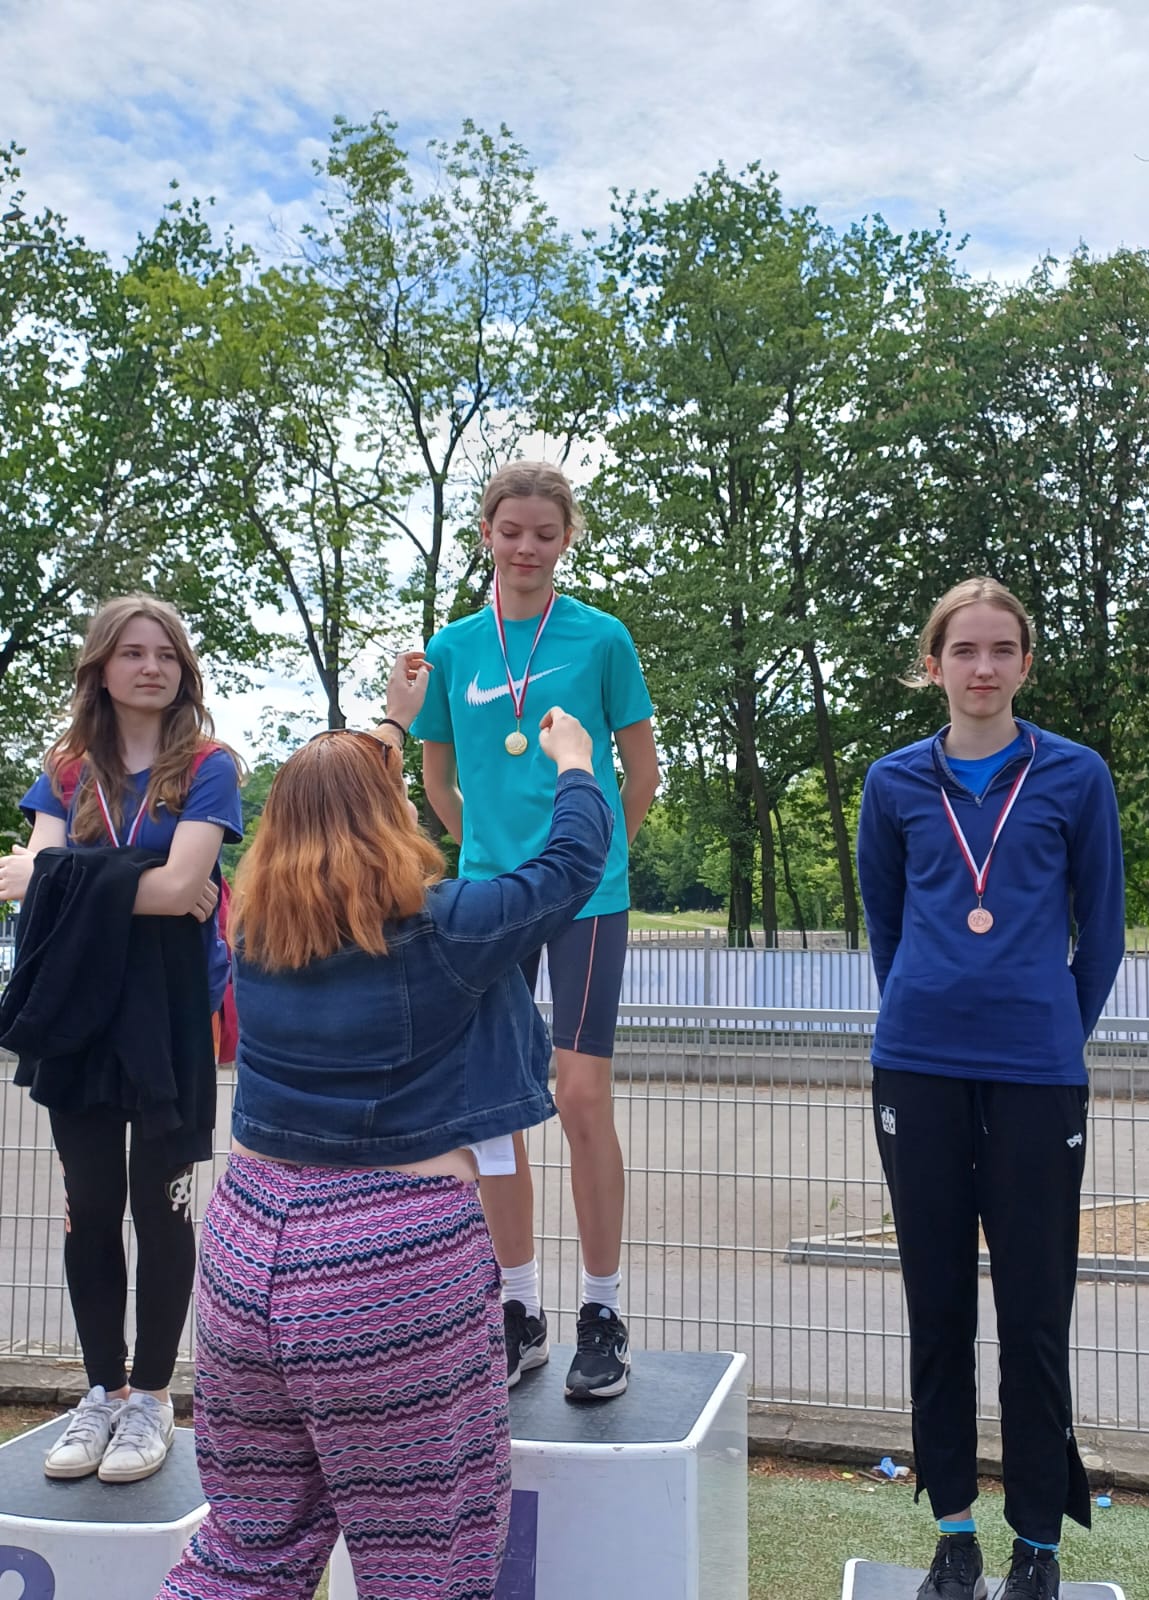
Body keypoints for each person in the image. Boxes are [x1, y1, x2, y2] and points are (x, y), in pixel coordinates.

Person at [156, 672, 612, 1600]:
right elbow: (570, 866)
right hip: (388, 1262)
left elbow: (342, 794)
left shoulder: (256, 931)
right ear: (388, 817)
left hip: (244, 1246)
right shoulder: (443, 929)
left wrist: (393, 725)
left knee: (247, 1553)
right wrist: (575, 765)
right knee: (426, 1562)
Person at [856, 578, 1125, 1600]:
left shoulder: (1075, 775)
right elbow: (887, 925)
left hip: (1036, 1075)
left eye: (1001, 649)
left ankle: (1038, 1545)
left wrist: (1050, 1029)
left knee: (1035, 1312)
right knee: (937, 1306)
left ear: (1025, 663)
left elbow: (1102, 930)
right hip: (917, 1066)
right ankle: (955, 1533)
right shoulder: (893, 782)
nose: (982, 667)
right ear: (932, 665)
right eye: (963, 650)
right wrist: (926, 1012)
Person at [412, 459, 659, 1403]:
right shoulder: (453, 648)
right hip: (490, 899)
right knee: (497, 1108)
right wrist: (486, 854)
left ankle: (604, 1310)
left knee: (581, 1096)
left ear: (567, 540)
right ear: (486, 532)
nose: (527, 548)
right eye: (511, 531)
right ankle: (517, 1309)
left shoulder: (603, 638)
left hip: (587, 897)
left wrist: (591, 857)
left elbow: (641, 774)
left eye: (545, 535)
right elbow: (438, 782)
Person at [0, 595, 243, 1484]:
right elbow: (34, 885)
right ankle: (100, 1391)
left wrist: (62, 875)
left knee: (160, 1204)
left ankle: (151, 1399)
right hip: (81, 1012)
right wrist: (134, 879)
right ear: (101, 668)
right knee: (91, 1204)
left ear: (184, 670)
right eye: (134, 652)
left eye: (166, 654)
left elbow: (180, 886)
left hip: (170, 1012)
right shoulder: (67, 770)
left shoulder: (210, 766)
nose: (152, 667)